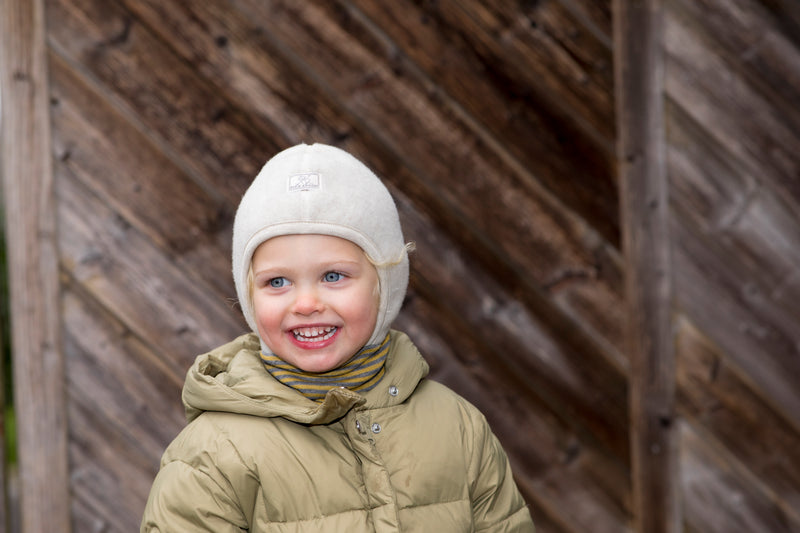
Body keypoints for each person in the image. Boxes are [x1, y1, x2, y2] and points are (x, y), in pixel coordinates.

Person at [140, 143, 535, 532]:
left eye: (333, 276)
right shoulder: (211, 455)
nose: (307, 303)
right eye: (277, 281)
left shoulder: (458, 427)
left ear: (385, 283)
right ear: (249, 295)